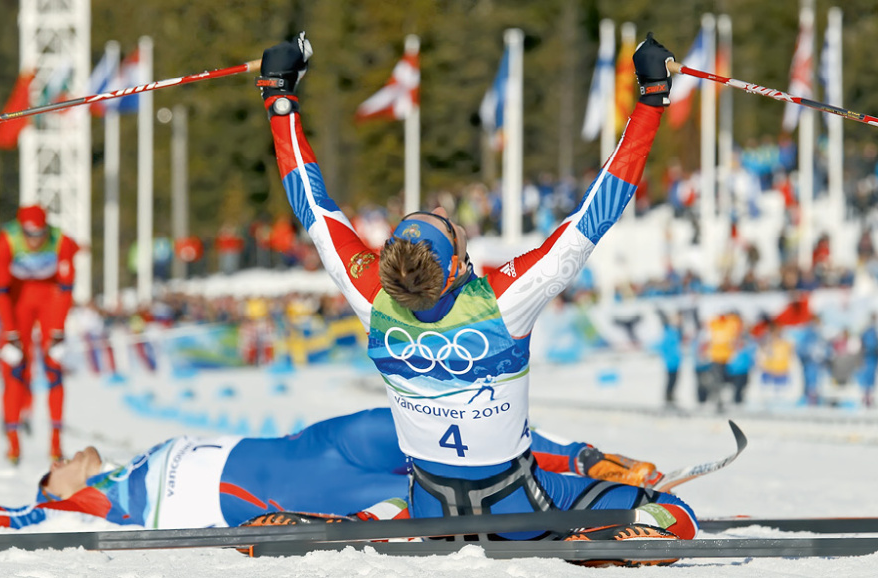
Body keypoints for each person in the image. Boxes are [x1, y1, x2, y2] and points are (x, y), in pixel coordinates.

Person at [255, 32, 695, 553]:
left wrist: (278, 97)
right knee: (675, 512)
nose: (445, 213)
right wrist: (650, 98)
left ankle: (351, 523)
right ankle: (613, 534)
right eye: (448, 225)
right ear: (459, 266)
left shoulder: (371, 294)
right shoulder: (504, 300)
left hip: (431, 507)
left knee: (409, 499)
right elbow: (597, 211)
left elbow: (312, 204)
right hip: (517, 505)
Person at [0, 407, 686, 533]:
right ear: (57, 492)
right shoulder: (82, 508)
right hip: (277, 490)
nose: (60, 458)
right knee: (440, 493)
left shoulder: (121, 462)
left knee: (416, 421)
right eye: (51, 469)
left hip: (307, 446)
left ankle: (580, 459)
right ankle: (617, 510)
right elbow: (21, 524)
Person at [0, 205, 79, 465]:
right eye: (29, 235)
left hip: (48, 300)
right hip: (18, 301)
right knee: (14, 368)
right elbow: (0, 291)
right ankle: (13, 443)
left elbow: (66, 289)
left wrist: (58, 331)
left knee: (54, 367)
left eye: (39, 234)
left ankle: (55, 443)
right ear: (21, 231)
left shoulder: (61, 240)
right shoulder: (7, 240)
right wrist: (10, 332)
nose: (34, 241)